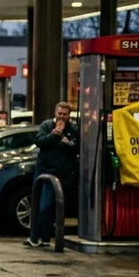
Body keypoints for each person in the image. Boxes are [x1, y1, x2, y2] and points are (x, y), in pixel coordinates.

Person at [25, 102, 80, 248]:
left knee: (50, 206)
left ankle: (39, 237)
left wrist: (67, 143)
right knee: (41, 204)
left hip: (62, 173)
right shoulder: (46, 125)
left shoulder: (73, 129)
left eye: (65, 114)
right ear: (55, 112)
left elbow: (77, 148)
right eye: (59, 113)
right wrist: (54, 135)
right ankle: (41, 238)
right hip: (44, 170)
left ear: (69, 115)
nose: (62, 116)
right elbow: (39, 142)